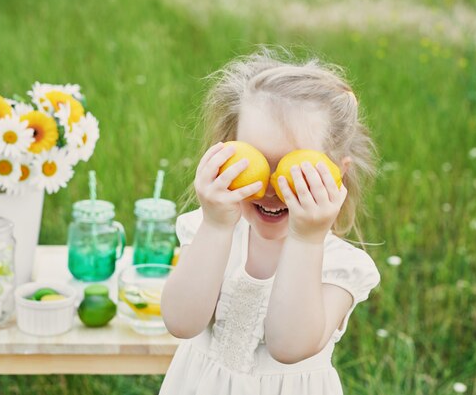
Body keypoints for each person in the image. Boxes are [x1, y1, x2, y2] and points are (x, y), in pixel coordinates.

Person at [159, 47, 382, 395]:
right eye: (254, 161)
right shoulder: (210, 231)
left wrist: (307, 240)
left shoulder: (341, 266)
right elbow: (181, 322)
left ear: (338, 173)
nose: (271, 188)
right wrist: (216, 225)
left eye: (296, 169)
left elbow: (289, 346)